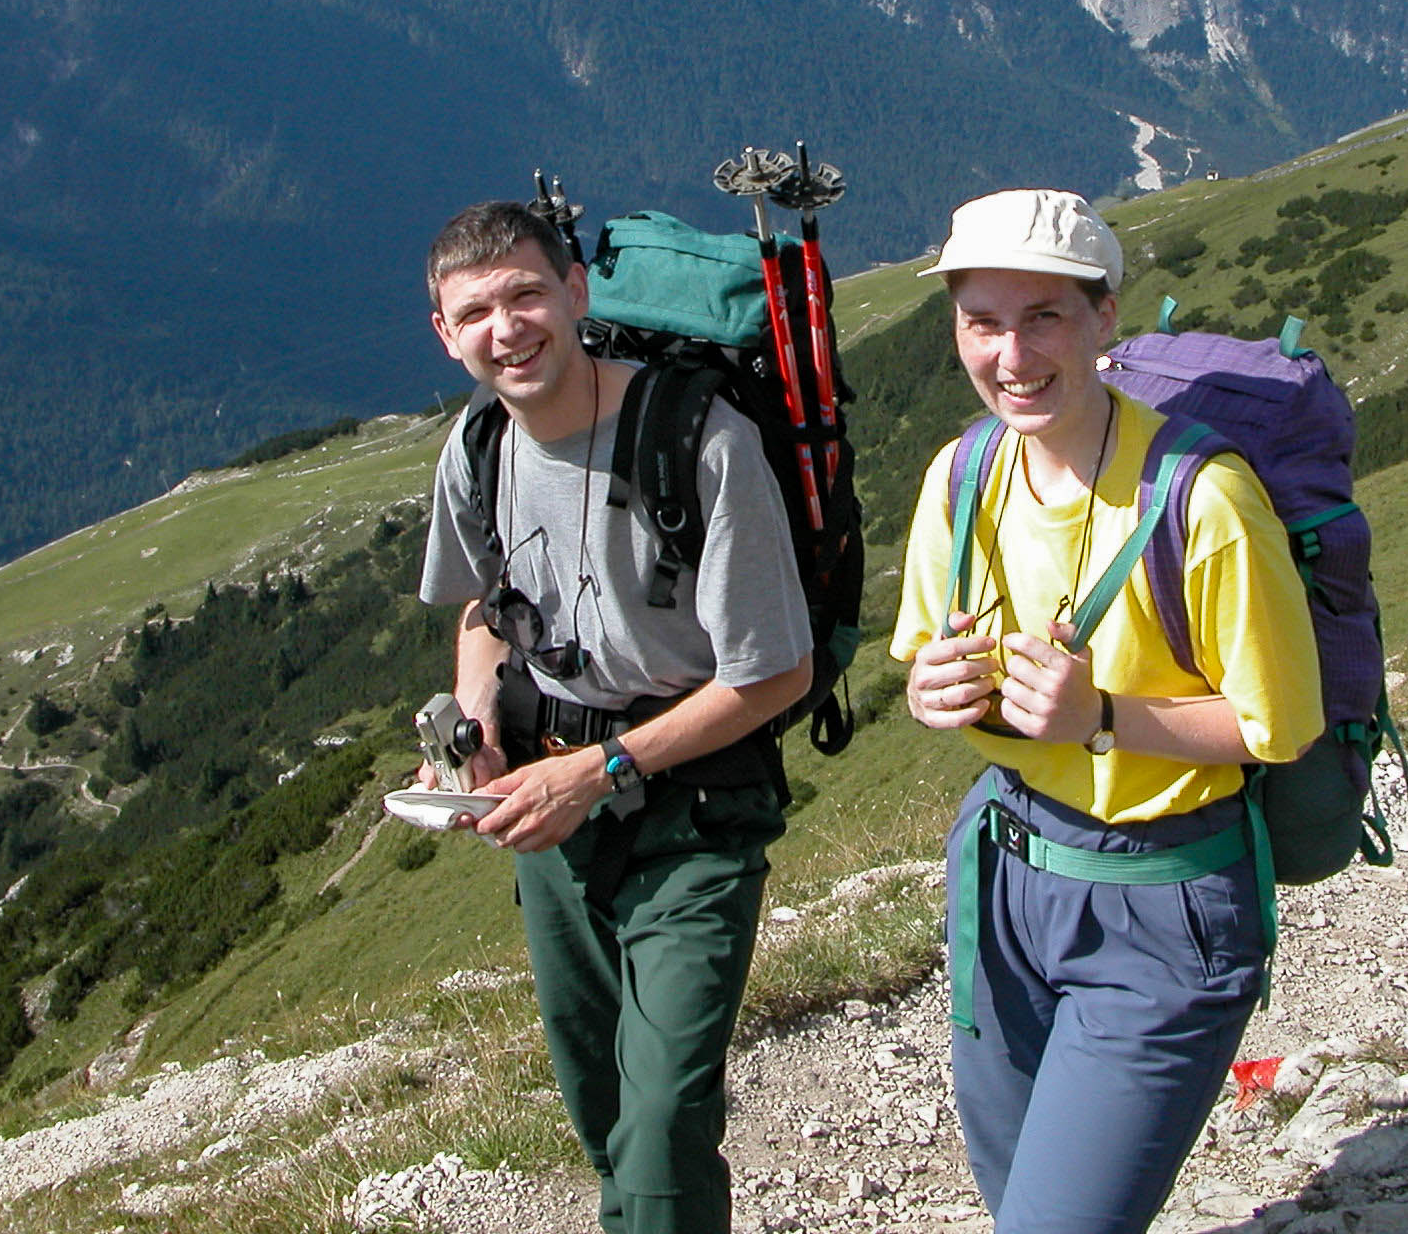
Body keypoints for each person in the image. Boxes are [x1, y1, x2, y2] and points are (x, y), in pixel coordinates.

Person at [892, 189, 1326, 1234]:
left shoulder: (1203, 500)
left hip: (1164, 900)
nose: (1011, 355)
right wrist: (929, 695)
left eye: (1044, 316)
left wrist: (1102, 719)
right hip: (1001, 874)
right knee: (1022, 1209)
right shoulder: (962, 473)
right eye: (982, 322)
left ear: (1104, 319)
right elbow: (919, 658)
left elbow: (1281, 729)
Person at [416, 199, 814, 1234]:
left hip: (694, 812)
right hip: (550, 820)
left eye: (526, 295)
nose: (506, 329)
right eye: (476, 312)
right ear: (444, 332)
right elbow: (483, 608)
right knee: (601, 1108)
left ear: (576, 293)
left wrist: (600, 774)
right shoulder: (474, 450)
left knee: (664, 1121)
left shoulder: (701, 443)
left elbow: (772, 676)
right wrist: (475, 728)